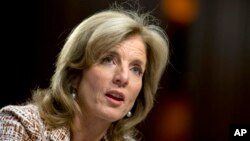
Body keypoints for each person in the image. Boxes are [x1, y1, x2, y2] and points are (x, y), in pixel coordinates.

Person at [0, 4, 169, 141]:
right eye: (109, 60)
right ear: (74, 74)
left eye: (136, 69)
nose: (123, 77)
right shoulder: (23, 125)